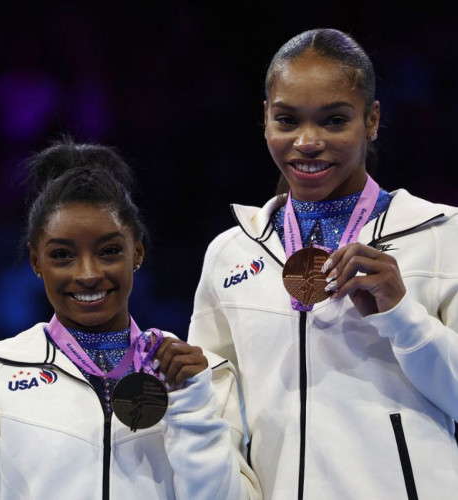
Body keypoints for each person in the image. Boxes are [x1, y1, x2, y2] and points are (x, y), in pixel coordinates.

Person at [188, 28, 458, 499]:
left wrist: (403, 317)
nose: (307, 142)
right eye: (287, 121)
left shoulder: (441, 234)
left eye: (334, 121)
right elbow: (217, 414)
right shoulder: (231, 255)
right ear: (266, 120)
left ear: (372, 120)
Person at [0, 139, 261, 499]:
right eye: (62, 255)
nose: (88, 274)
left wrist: (192, 408)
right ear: (35, 262)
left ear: (136, 252)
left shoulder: (203, 375)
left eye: (109, 251)